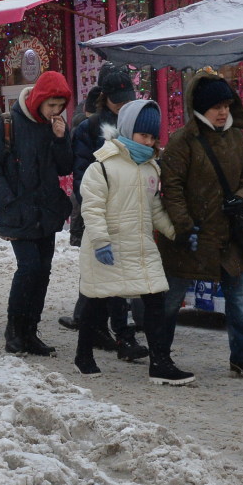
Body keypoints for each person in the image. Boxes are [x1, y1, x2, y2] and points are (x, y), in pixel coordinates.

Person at [154, 71, 243, 382]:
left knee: (239, 298)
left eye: (226, 105)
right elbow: (172, 188)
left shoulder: (236, 138)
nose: (222, 112)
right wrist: (183, 226)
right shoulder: (183, 141)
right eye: (216, 106)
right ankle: (159, 357)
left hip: (229, 234)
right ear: (200, 107)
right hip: (191, 236)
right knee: (170, 299)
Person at [74, 100, 192, 383]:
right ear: (127, 132)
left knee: (155, 300)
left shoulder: (151, 169)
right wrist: (101, 241)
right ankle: (83, 355)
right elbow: (91, 207)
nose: (149, 141)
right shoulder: (101, 167)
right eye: (144, 135)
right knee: (95, 302)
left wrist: (175, 233)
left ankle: (160, 362)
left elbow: (154, 210)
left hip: (140, 247)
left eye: (153, 137)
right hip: (109, 248)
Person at [0, 70, 74, 356]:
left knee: (43, 271)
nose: (55, 111)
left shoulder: (54, 127)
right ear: (39, 100)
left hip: (45, 211)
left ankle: (31, 332)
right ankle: (14, 330)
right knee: (29, 267)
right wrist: (8, 199)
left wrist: (60, 139)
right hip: (18, 212)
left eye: (60, 106)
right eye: (51, 105)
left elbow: (65, 167)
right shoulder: (7, 124)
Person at [60, 65, 148, 362]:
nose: (123, 105)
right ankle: (123, 337)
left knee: (108, 279)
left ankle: (94, 330)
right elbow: (82, 174)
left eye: (127, 98)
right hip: (103, 212)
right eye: (117, 99)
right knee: (113, 277)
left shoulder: (138, 123)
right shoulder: (89, 128)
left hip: (132, 211)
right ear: (105, 98)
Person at [67, 84, 103, 248]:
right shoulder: (85, 130)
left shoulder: (81, 128)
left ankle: (76, 239)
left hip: (88, 185)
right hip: (90, 185)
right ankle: (76, 239)